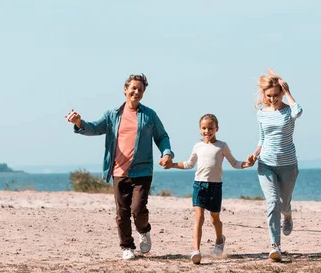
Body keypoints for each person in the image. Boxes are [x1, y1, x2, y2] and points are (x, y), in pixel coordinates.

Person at [65, 74, 174, 260]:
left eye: (140, 89)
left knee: (138, 209)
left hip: (143, 170)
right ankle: (127, 247)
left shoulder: (149, 115)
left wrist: (166, 153)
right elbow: (94, 128)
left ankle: (144, 230)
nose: (136, 92)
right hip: (118, 171)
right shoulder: (112, 115)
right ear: (125, 89)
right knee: (122, 212)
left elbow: (162, 137)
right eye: (133, 88)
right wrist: (78, 123)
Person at [169, 114, 253, 264]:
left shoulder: (222, 146)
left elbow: (234, 163)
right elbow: (189, 164)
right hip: (199, 185)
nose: (207, 131)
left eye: (210, 128)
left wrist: (247, 164)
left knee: (215, 219)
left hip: (215, 187)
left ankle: (220, 240)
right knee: (199, 218)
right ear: (199, 129)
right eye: (204, 128)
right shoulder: (197, 146)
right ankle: (196, 250)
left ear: (217, 129)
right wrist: (172, 164)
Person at [247, 69, 303, 262]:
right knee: (272, 203)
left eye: (276, 95)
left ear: (281, 94)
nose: (272, 99)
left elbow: (299, 111)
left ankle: (287, 216)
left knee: (284, 203)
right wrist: (255, 154)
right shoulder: (261, 114)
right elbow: (262, 139)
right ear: (264, 95)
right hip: (266, 164)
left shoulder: (289, 111)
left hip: (288, 165)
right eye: (269, 96)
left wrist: (288, 91)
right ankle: (275, 245)